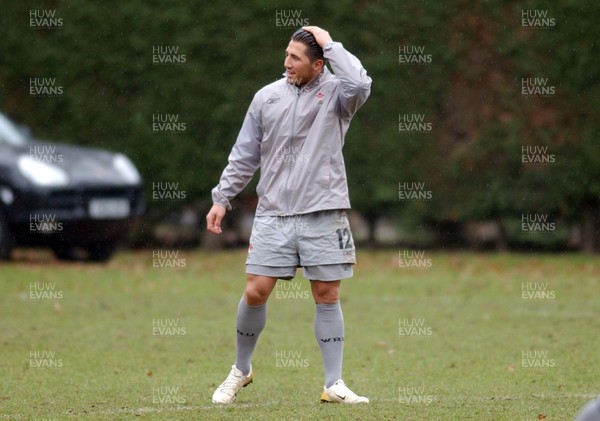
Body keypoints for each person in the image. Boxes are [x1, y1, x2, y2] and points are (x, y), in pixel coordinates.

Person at [206, 25, 372, 405]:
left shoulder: (337, 95)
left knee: (327, 294)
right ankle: (241, 370)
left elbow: (361, 84)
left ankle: (334, 384)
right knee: (255, 290)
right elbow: (245, 153)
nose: (287, 63)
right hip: (274, 213)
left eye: (295, 58)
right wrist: (222, 198)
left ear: (318, 64)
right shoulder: (266, 97)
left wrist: (331, 44)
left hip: (324, 212)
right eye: (286, 55)